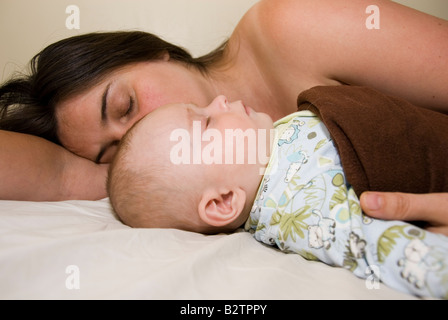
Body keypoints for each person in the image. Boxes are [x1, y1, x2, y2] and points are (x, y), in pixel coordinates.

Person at [1, 0, 448, 232]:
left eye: (126, 107)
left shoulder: (291, 25)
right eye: (111, 154)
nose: (138, 136)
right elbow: (54, 175)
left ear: (158, 54)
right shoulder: (172, 187)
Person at [107, 92, 448, 298]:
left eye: (202, 105)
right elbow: (375, 248)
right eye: (207, 122)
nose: (220, 100)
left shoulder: (268, 146)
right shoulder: (300, 210)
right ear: (224, 201)